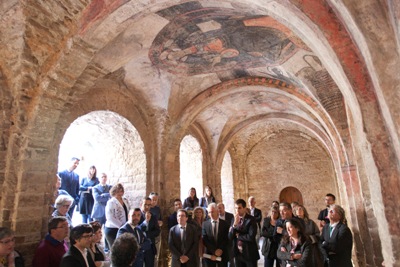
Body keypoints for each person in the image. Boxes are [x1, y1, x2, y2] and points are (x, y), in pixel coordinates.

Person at [229, 198, 259, 267]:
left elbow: (251, 237)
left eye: (239, 208)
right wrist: (234, 225)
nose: (237, 210)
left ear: (244, 208)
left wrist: (238, 236)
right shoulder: (234, 219)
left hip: (249, 253)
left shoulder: (251, 219)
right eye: (236, 208)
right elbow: (230, 236)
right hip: (238, 254)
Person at [202, 203, 230, 267]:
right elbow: (205, 239)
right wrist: (214, 251)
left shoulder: (225, 224)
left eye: (212, 212)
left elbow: (226, 238)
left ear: (217, 211)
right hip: (210, 254)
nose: (210, 214)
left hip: (222, 254)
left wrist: (220, 249)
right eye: (209, 212)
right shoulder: (205, 224)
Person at [104, 183, 130, 248]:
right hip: (112, 228)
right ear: (114, 191)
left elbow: (128, 211)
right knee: (114, 249)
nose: (119, 193)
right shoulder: (111, 202)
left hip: (123, 227)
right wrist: (121, 226)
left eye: (121, 191)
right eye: (117, 191)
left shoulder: (125, 200)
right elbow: (109, 217)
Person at [138, 197, 160, 267]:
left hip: (150, 246)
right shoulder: (136, 215)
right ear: (141, 204)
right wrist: (146, 221)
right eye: (145, 205)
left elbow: (157, 231)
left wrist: (147, 234)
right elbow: (136, 230)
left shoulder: (153, 216)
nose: (147, 207)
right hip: (139, 247)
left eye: (149, 205)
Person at [217, 203, 234, 267]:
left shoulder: (230, 215)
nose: (219, 209)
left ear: (223, 208)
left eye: (220, 208)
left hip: (229, 239)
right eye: (218, 208)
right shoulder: (216, 217)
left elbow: (232, 227)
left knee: (230, 259)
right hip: (220, 241)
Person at [149, 192, 162, 267]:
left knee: (156, 254)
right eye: (152, 199)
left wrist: (160, 223)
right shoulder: (146, 208)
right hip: (149, 233)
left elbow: (161, 219)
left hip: (156, 233)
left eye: (155, 200)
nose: (153, 201)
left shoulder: (157, 209)